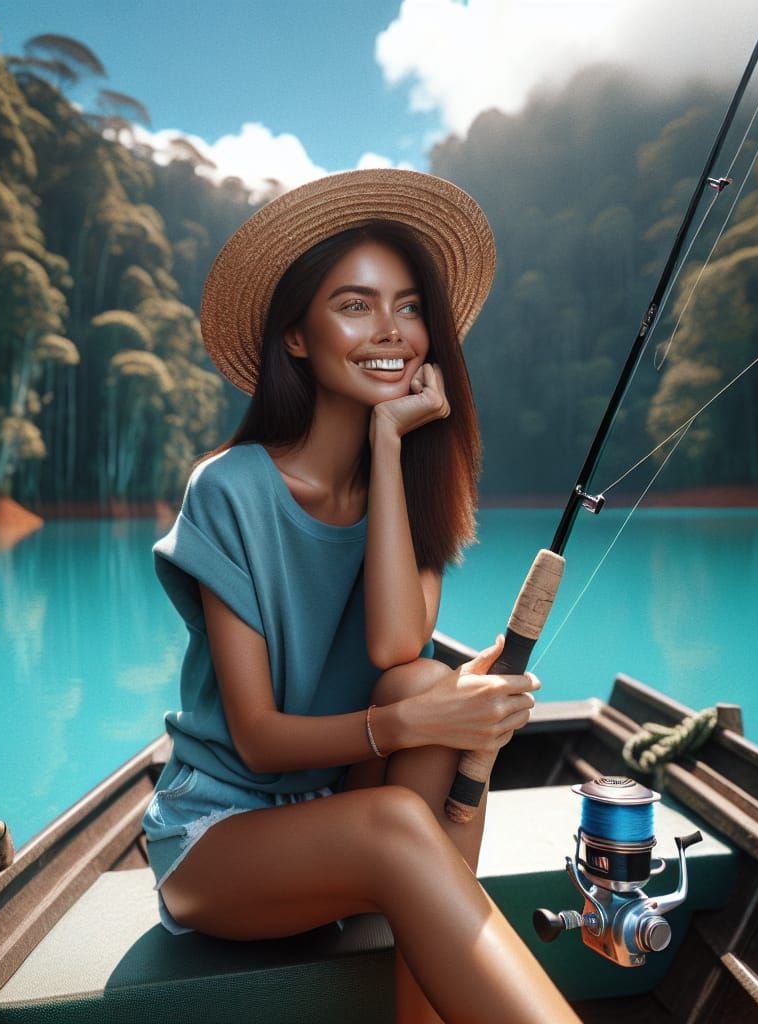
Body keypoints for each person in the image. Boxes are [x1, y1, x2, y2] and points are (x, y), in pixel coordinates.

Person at [143, 168, 579, 1024]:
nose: (393, 331)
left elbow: (394, 650)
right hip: (218, 839)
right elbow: (261, 740)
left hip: (350, 809)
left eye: (410, 306)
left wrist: (388, 448)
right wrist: (410, 726)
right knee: (404, 761)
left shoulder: (416, 483)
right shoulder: (228, 491)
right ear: (297, 338)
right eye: (356, 305)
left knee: (421, 685)